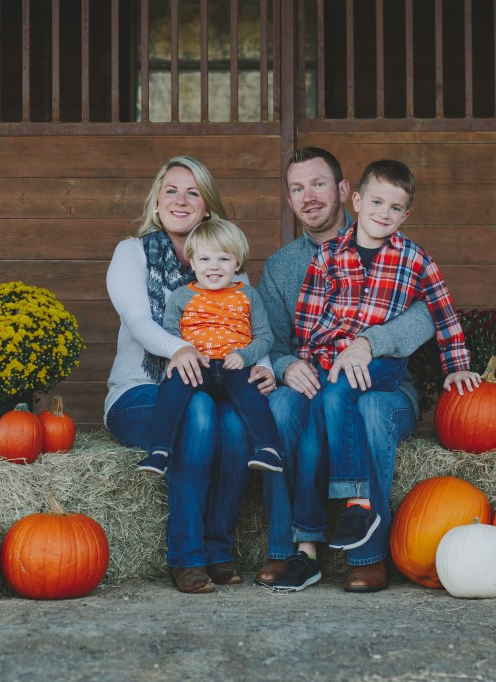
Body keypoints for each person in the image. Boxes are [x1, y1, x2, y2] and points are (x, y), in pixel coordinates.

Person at [286, 158, 481, 580]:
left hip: (382, 365)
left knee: (338, 392)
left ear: (406, 214)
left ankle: (358, 505)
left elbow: (443, 314)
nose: (383, 213)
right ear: (355, 200)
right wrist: (306, 361)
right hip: (329, 363)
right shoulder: (328, 255)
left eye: (395, 208)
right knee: (312, 427)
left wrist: (457, 366)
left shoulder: (414, 258)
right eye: (376, 202)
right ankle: (305, 547)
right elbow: (308, 316)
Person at [255, 148, 436, 593]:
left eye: (318, 184)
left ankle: (368, 555)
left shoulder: (393, 247)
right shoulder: (281, 266)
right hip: (315, 378)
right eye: (297, 189)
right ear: (289, 200)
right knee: (279, 407)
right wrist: (286, 365)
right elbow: (272, 341)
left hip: (383, 385)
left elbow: (428, 315)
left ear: (345, 192)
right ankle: (291, 550)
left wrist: (368, 342)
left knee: (370, 411)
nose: (309, 197)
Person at [104, 156, 275, 594]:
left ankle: (218, 549)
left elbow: (249, 327)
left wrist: (265, 369)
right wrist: (179, 348)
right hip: (141, 392)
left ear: (207, 207)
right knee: (199, 410)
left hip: (217, 387)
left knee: (235, 422)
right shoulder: (133, 252)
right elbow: (138, 319)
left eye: (193, 192)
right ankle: (187, 556)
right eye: (171, 191)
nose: (181, 200)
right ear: (157, 203)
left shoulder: (227, 263)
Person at [137, 218, 284, 475]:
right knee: (172, 387)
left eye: (223, 259)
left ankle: (268, 448)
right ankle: (159, 451)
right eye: (205, 260)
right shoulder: (183, 295)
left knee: (252, 395)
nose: (214, 267)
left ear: (237, 263)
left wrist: (244, 355)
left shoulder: (248, 295)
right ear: (192, 262)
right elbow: (171, 333)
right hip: (198, 366)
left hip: (233, 365)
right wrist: (176, 358)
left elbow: (264, 337)